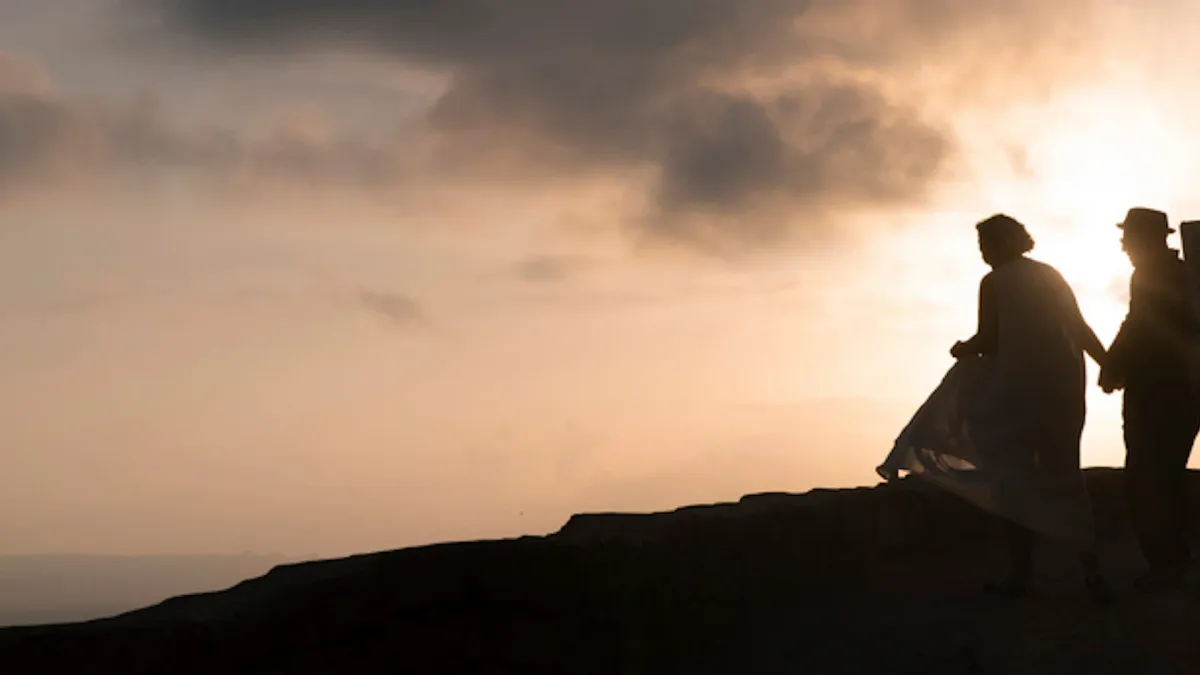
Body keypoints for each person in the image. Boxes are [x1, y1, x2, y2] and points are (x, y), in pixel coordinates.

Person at [878, 214, 1111, 603]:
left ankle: (1022, 575)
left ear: (1000, 243)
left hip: (1017, 394)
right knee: (1067, 477)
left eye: (985, 244)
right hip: (1063, 393)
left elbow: (991, 338)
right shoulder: (1051, 275)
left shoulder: (995, 282)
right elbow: (1080, 327)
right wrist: (1109, 366)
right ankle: (1093, 575)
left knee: (1011, 478)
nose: (983, 253)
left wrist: (962, 348)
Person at [1099, 207, 1200, 592]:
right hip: (1187, 388)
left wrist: (1113, 365)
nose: (1123, 244)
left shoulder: (1151, 273)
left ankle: (1166, 563)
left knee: (1147, 475)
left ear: (1145, 238)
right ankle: (1175, 558)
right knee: (1169, 473)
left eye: (1128, 236)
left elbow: (1141, 323)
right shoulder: (1183, 275)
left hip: (1156, 387)